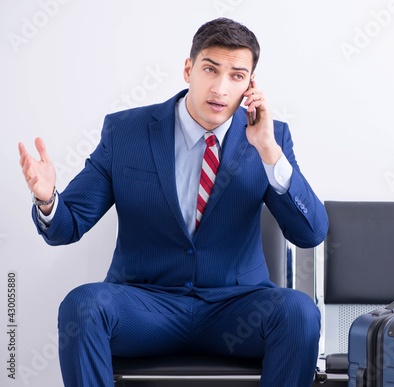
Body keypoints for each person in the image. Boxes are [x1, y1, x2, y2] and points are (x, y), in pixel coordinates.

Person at [18, 17, 329, 386]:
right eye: (210, 69)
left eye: (236, 76)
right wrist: (47, 198)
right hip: (146, 308)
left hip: (235, 310)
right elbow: (67, 226)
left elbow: (310, 234)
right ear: (188, 69)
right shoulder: (126, 132)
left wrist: (270, 153)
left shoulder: (270, 138)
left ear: (250, 85)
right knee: (83, 304)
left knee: (299, 311)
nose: (219, 87)